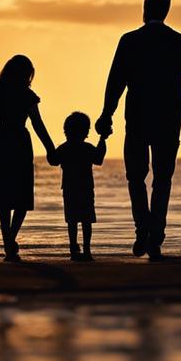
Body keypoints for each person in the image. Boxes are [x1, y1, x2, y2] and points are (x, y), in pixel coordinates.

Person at [96, 0, 181, 261]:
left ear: (145, 8)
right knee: (162, 178)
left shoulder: (130, 41)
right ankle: (155, 235)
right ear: (167, 11)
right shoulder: (179, 42)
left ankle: (142, 228)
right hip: (169, 121)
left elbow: (115, 83)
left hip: (137, 119)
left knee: (135, 178)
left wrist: (106, 114)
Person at [0, 55, 57, 262]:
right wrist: (50, 148)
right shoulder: (27, 95)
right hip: (20, 143)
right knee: (21, 197)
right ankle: (10, 239)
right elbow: (38, 124)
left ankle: (8, 242)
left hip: (2, 142)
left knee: (5, 199)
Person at [51, 111, 108, 261]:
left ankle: (73, 249)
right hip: (85, 188)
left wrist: (49, 147)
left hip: (70, 189)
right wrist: (103, 138)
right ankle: (87, 250)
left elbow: (53, 160)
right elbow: (99, 159)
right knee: (86, 220)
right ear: (85, 132)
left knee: (72, 220)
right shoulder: (87, 148)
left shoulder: (64, 148)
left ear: (66, 130)